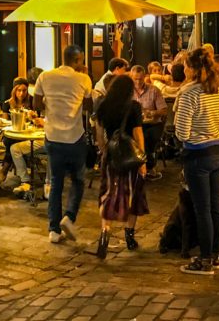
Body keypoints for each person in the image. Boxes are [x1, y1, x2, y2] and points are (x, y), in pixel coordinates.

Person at [174, 48, 219, 275]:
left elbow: (182, 132)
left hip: (197, 155)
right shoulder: (217, 92)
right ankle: (215, 254)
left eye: (186, 65)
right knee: (215, 207)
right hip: (218, 152)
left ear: (194, 69)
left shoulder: (189, 94)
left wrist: (195, 135)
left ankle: (205, 259)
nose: (184, 69)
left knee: (202, 209)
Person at [33, 45, 93, 244]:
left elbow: (36, 104)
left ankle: (53, 229)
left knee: (56, 182)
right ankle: (69, 216)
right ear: (76, 60)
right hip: (74, 136)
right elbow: (88, 107)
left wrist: (51, 109)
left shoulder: (45, 76)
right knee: (78, 180)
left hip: (53, 136)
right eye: (81, 60)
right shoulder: (83, 79)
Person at [94, 75, 148, 259]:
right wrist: (143, 160)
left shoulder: (102, 106)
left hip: (112, 156)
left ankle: (105, 233)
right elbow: (138, 133)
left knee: (109, 194)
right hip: (130, 157)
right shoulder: (133, 107)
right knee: (133, 194)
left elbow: (99, 135)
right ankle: (129, 236)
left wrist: (105, 151)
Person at [129, 65, 167, 178]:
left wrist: (152, 113)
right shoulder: (128, 91)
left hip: (153, 124)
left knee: (147, 137)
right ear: (131, 77)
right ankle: (135, 166)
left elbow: (164, 110)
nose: (138, 82)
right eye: (135, 79)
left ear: (145, 77)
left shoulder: (154, 90)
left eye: (140, 79)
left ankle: (148, 167)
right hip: (135, 124)